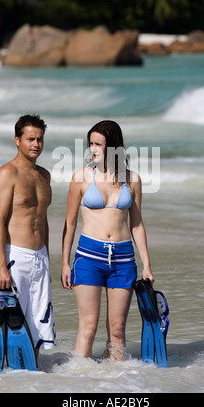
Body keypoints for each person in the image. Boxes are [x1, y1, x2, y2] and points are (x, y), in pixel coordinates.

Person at [61, 120, 154, 360]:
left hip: (123, 258)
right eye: (90, 143)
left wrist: (146, 264)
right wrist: (64, 263)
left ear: (113, 146)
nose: (92, 149)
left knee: (117, 331)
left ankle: (117, 385)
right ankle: (77, 382)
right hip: (89, 256)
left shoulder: (132, 180)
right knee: (88, 328)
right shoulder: (81, 177)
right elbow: (70, 223)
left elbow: (136, 224)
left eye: (98, 144)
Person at [0, 114, 56, 354]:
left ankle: (33, 382)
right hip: (15, 257)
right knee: (12, 327)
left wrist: (47, 258)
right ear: (17, 140)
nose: (36, 144)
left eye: (39, 139)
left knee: (37, 330)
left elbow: (43, 221)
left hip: (40, 258)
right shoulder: (7, 174)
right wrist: (1, 266)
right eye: (30, 139)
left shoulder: (44, 176)